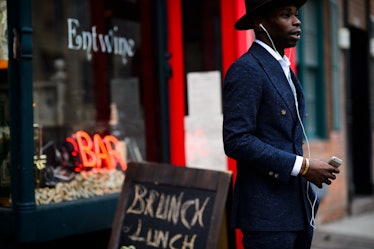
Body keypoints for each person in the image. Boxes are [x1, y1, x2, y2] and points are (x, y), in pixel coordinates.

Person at [222, 0, 341, 248]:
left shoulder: (282, 67)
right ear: (260, 22)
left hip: (297, 209)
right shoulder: (247, 69)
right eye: (285, 15)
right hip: (267, 216)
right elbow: (236, 140)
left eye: (296, 15)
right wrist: (303, 166)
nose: (297, 21)